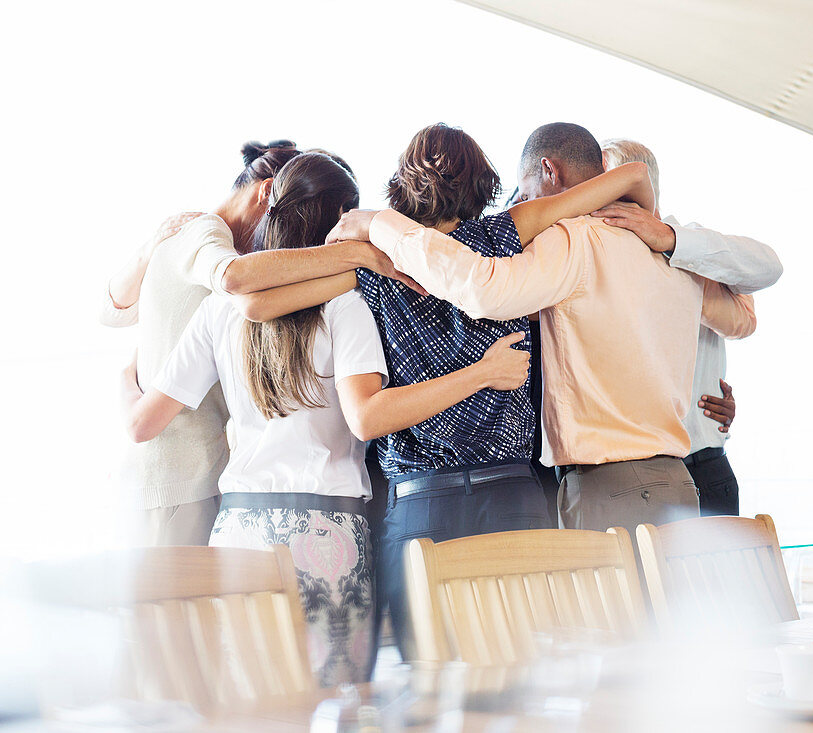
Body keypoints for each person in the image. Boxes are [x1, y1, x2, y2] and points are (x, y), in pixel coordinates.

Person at [229, 123, 659, 658]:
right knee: (516, 673)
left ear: (402, 186)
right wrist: (658, 230)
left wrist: (363, 256)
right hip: (512, 496)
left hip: (420, 502)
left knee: (425, 679)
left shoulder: (383, 269)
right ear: (483, 182)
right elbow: (630, 177)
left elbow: (252, 297)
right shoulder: (509, 235)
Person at [119, 152, 531, 685]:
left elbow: (141, 426)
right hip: (326, 532)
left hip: (238, 531)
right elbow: (368, 418)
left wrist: (123, 380)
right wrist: (481, 372)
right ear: (340, 217)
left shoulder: (220, 311)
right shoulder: (348, 304)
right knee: (337, 705)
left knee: (253, 705)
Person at [328, 122, 757, 534]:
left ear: (549, 170)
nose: (527, 208)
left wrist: (379, 226)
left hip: (599, 485)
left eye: (528, 193)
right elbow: (743, 314)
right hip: (671, 480)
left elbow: (485, 289)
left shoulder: (567, 242)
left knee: (609, 611)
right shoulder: (672, 250)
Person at [102, 140, 391, 546]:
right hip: (180, 482)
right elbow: (240, 287)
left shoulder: (224, 301)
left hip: (223, 502)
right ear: (266, 191)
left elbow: (113, 309)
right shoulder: (211, 237)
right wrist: (361, 261)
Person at [598, 138, 783, 516]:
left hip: (704, 464)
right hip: (633, 472)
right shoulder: (595, 252)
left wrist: (672, 241)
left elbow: (770, 267)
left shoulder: (689, 241)